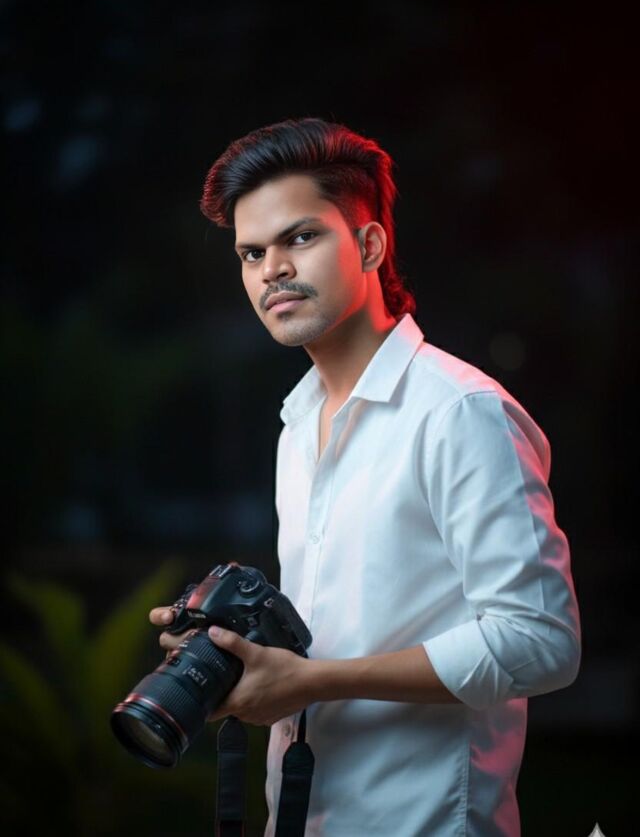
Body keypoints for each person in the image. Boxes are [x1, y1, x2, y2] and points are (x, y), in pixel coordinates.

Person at [150, 118, 581, 836]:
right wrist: (235, 653)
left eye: (300, 237)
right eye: (252, 252)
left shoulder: (459, 412)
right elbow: (337, 630)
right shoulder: (299, 422)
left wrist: (314, 682)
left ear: (370, 245)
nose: (272, 269)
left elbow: (541, 640)